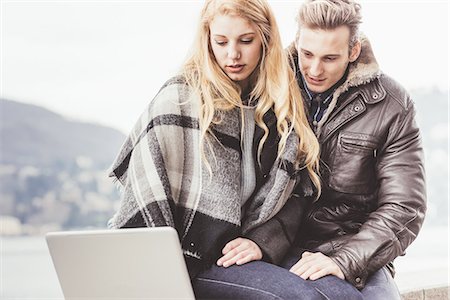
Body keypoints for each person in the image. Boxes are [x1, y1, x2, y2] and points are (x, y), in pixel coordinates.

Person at [108, 1, 364, 299]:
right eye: (221, 41)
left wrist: (261, 242)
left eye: (246, 40)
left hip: (244, 255)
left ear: (266, 40)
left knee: (343, 295)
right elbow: (147, 204)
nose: (233, 54)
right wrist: (165, 280)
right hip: (191, 260)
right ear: (207, 41)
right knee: (301, 297)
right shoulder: (178, 101)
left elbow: (296, 196)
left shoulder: (277, 103)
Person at [281, 0, 427, 299]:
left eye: (330, 58)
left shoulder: (392, 104)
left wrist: (344, 260)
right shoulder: (273, 89)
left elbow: (405, 207)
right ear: (297, 43)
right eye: (306, 54)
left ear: (354, 51)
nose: (314, 69)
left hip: (356, 250)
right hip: (279, 243)